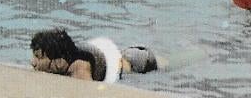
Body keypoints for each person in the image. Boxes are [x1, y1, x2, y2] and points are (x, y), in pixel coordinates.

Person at [29, 28, 159, 83]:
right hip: (123, 55)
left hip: (139, 62)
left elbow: (89, 93)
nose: (32, 62)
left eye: (39, 57)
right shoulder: (64, 55)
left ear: (58, 61)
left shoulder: (79, 67)